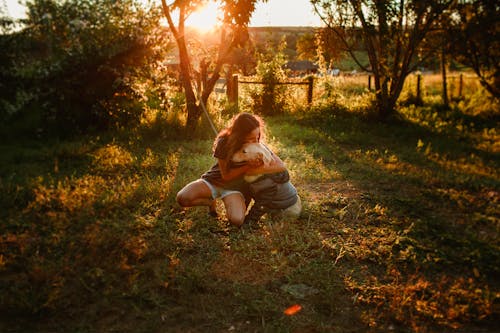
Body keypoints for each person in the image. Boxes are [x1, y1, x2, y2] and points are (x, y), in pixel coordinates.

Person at [176, 113, 286, 227]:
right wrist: (248, 166)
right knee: (183, 198)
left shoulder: (258, 146)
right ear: (240, 135)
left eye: (258, 137)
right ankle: (209, 202)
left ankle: (230, 203)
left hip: (235, 189)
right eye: (251, 138)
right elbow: (226, 176)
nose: (256, 141)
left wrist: (260, 168)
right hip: (214, 181)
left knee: (237, 221)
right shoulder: (223, 142)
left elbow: (281, 166)